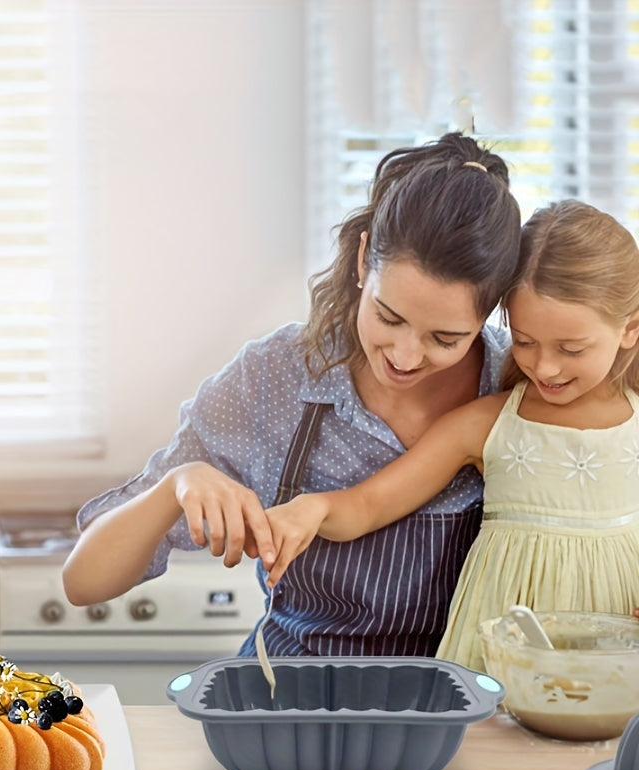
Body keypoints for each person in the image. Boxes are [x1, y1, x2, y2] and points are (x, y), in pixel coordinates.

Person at [62, 131, 522, 658]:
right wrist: (177, 484)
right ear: (364, 257)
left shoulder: (515, 387)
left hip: (460, 705)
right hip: (292, 700)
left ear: (490, 312)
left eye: (446, 339)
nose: (405, 355)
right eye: (387, 317)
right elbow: (85, 582)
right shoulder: (275, 377)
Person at [264, 199, 639, 670]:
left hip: (617, 656)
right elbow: (369, 504)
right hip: (500, 660)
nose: (544, 366)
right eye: (523, 341)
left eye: (571, 348)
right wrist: (313, 508)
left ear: (630, 329)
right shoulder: (486, 423)